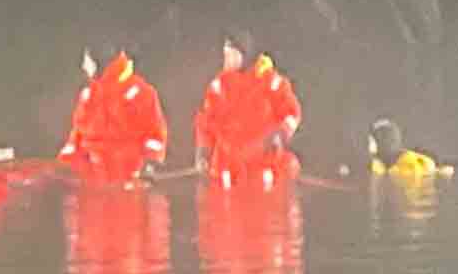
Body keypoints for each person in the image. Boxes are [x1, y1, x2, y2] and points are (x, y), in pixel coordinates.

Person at [193, 30, 301, 191]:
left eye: (230, 54)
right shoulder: (219, 86)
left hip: (263, 166)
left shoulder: (271, 82)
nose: (226, 60)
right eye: (225, 55)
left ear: (244, 56)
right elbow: (206, 121)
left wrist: (281, 133)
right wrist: (203, 149)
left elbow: (291, 113)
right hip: (228, 170)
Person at [59, 42, 169, 185]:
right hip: (91, 179)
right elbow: (76, 136)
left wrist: (150, 164)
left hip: (128, 175)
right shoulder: (89, 94)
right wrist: (65, 165)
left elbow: (155, 134)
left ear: (99, 62)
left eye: (87, 61)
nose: (84, 66)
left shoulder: (140, 92)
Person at [367, 118, 453, 179]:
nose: (369, 145)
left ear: (383, 142)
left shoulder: (405, 164)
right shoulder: (382, 165)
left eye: (372, 141)